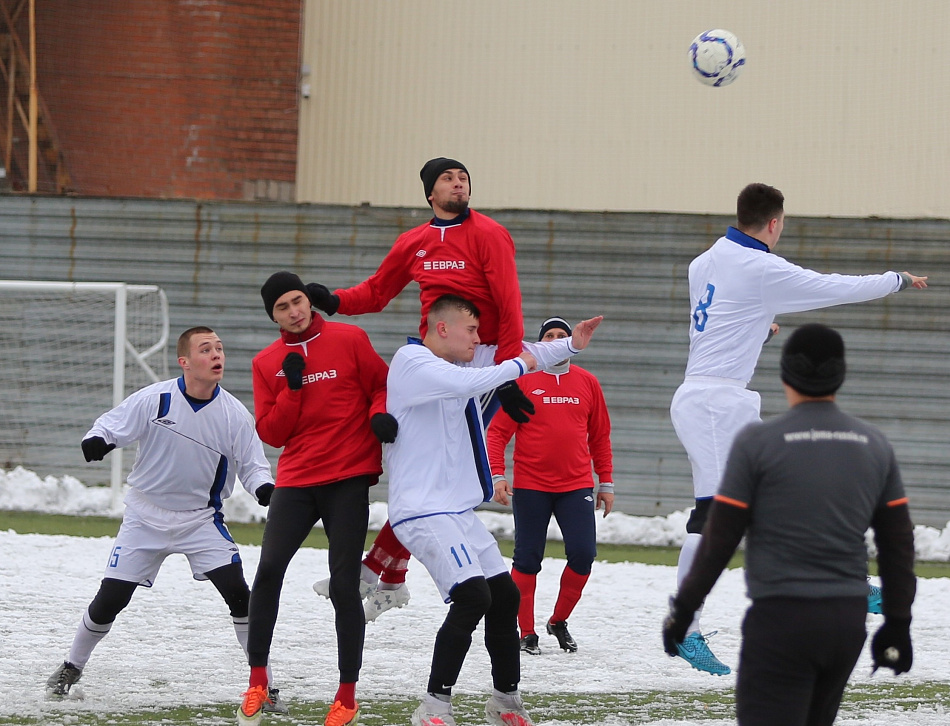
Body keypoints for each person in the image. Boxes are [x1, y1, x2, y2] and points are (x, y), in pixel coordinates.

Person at [668, 182, 927, 675]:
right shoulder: (762, 266)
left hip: (715, 397)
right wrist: (894, 278)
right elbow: (833, 287)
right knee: (714, 515)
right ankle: (687, 627)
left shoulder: (704, 261)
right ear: (774, 223)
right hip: (715, 403)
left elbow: (713, 323)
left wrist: (756, 326)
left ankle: (846, 578)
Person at [309, 157, 534, 621]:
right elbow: (375, 291)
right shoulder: (414, 241)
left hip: (482, 359)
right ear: (431, 192)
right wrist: (333, 301)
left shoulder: (489, 234)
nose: (459, 184)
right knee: (418, 471)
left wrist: (511, 374)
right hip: (433, 360)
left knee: (437, 482)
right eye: (449, 179)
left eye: (464, 177)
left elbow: (510, 303)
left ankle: (375, 573)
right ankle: (387, 576)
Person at [662, 323, 917, 726]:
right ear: (842, 374)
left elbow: (720, 539)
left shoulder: (759, 441)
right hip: (845, 621)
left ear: (784, 376)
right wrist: (899, 623)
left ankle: (691, 633)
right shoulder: (872, 441)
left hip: (780, 617)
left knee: (713, 514)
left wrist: (682, 614)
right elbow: (899, 542)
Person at [384, 294, 602, 726]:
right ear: (442, 328)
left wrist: (571, 346)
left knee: (503, 596)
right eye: (471, 331)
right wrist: (518, 371)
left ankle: (505, 701)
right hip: (421, 511)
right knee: (472, 596)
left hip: (456, 512)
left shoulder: (462, 361)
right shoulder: (411, 360)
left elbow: (525, 351)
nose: (478, 340)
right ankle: (434, 706)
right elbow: (485, 378)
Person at [46, 326, 278, 707]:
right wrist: (97, 441)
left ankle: (265, 687)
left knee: (240, 596)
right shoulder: (155, 399)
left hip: (201, 520)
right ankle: (71, 666)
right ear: (184, 361)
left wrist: (263, 490)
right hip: (145, 517)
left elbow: (254, 468)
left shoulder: (235, 414)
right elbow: (111, 425)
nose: (217, 354)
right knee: (109, 600)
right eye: (206, 349)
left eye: (219, 348)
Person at [239, 272, 393, 726]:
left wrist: (380, 414)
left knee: (344, 585)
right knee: (266, 575)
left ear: (309, 300)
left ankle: (346, 695)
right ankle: (256, 679)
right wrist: (292, 389)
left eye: (298, 301)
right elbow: (271, 432)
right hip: (297, 479)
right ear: (273, 316)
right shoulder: (266, 361)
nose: (294, 311)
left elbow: (382, 384)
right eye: (283, 307)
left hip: (346, 477)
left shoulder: (350, 337)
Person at [488, 316, 614, 655]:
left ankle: (558, 621)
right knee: (527, 560)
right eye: (550, 336)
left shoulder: (587, 382)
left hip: (576, 486)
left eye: (562, 335)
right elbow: (497, 433)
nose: (557, 340)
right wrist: (497, 476)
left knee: (584, 555)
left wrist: (607, 482)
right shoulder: (524, 382)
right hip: (531, 486)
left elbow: (600, 436)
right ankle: (526, 631)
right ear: (540, 343)